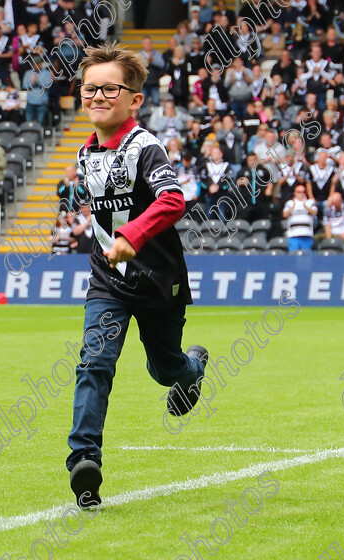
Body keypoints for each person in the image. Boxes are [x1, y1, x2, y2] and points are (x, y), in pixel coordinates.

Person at [66, 44, 207, 509]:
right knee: (94, 363)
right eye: (90, 88)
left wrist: (131, 234)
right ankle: (84, 461)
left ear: (134, 99)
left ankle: (191, 369)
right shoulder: (86, 154)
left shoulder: (144, 146)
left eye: (110, 88)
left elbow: (173, 201)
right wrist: (108, 241)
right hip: (108, 281)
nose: (98, 96)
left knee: (164, 368)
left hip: (157, 280)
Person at [283, 183, 318, 251]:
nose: (301, 193)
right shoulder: (289, 203)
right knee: (293, 256)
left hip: (307, 234)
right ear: (295, 193)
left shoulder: (310, 202)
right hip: (293, 235)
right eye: (299, 192)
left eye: (303, 192)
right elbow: (285, 214)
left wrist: (305, 205)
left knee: (306, 257)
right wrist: (293, 206)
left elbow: (315, 212)